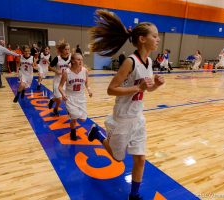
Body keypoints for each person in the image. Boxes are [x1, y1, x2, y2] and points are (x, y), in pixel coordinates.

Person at [87, 10, 165, 200]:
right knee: (117, 158)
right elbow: (111, 89)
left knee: (140, 158)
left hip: (137, 118)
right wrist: (138, 87)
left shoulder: (149, 62)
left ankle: (134, 195)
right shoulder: (130, 62)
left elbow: (143, 90)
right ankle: (97, 134)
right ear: (142, 39)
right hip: (122, 117)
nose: (158, 39)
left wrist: (155, 85)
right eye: (154, 36)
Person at [58, 53, 92, 140]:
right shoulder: (66, 72)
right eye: (78, 59)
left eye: (81, 59)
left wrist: (89, 89)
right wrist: (63, 94)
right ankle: (73, 132)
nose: (81, 61)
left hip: (81, 97)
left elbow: (86, 82)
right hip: (70, 97)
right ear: (73, 61)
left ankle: (71, 114)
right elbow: (60, 86)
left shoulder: (85, 71)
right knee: (74, 117)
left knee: (83, 120)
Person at [48, 40, 71, 116]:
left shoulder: (70, 58)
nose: (67, 51)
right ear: (62, 50)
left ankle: (56, 109)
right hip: (58, 81)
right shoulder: (57, 58)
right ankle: (52, 100)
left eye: (68, 49)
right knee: (59, 99)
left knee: (66, 98)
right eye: (65, 49)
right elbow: (49, 67)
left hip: (66, 82)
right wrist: (56, 70)